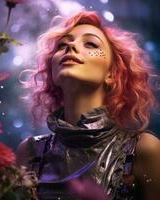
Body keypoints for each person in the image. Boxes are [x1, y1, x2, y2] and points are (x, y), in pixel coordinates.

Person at [16, 11, 160, 200]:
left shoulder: (144, 149)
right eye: (62, 45)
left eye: (90, 43)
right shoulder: (29, 151)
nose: (71, 45)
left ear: (112, 74)